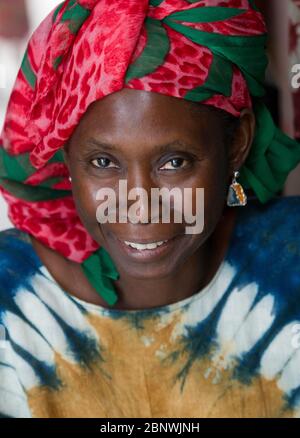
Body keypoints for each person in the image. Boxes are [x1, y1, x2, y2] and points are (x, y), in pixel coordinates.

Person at [0, 0, 300, 418]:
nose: (139, 206)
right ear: (66, 159)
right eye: (104, 163)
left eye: (174, 162)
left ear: (236, 145)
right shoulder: (7, 296)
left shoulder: (291, 257)